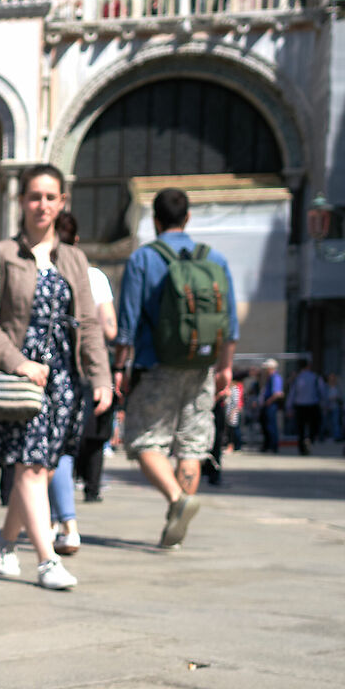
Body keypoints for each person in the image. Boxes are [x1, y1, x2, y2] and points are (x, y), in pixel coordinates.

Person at [0, 165, 110, 591]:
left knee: (41, 470)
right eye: (35, 196)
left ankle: (4, 541)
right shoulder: (2, 253)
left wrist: (101, 375)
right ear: (22, 201)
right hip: (22, 379)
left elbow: (87, 321)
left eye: (51, 197)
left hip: (64, 381)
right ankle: (47, 559)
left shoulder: (74, 258)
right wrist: (18, 363)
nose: (42, 205)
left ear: (62, 202)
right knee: (30, 466)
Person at [116, 187, 236, 549]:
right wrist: (225, 368)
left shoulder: (143, 259)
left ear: (154, 220)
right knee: (191, 445)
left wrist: (120, 367)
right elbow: (229, 325)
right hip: (200, 366)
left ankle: (176, 499)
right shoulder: (213, 258)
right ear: (187, 218)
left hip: (156, 366)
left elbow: (127, 324)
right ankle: (176, 526)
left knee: (144, 439)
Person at [51, 206, 116, 543]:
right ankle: (67, 524)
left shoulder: (32, 263)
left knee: (41, 452)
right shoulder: (93, 275)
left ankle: (54, 522)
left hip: (39, 370)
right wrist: (102, 375)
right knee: (64, 446)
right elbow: (108, 327)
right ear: (76, 238)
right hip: (78, 370)